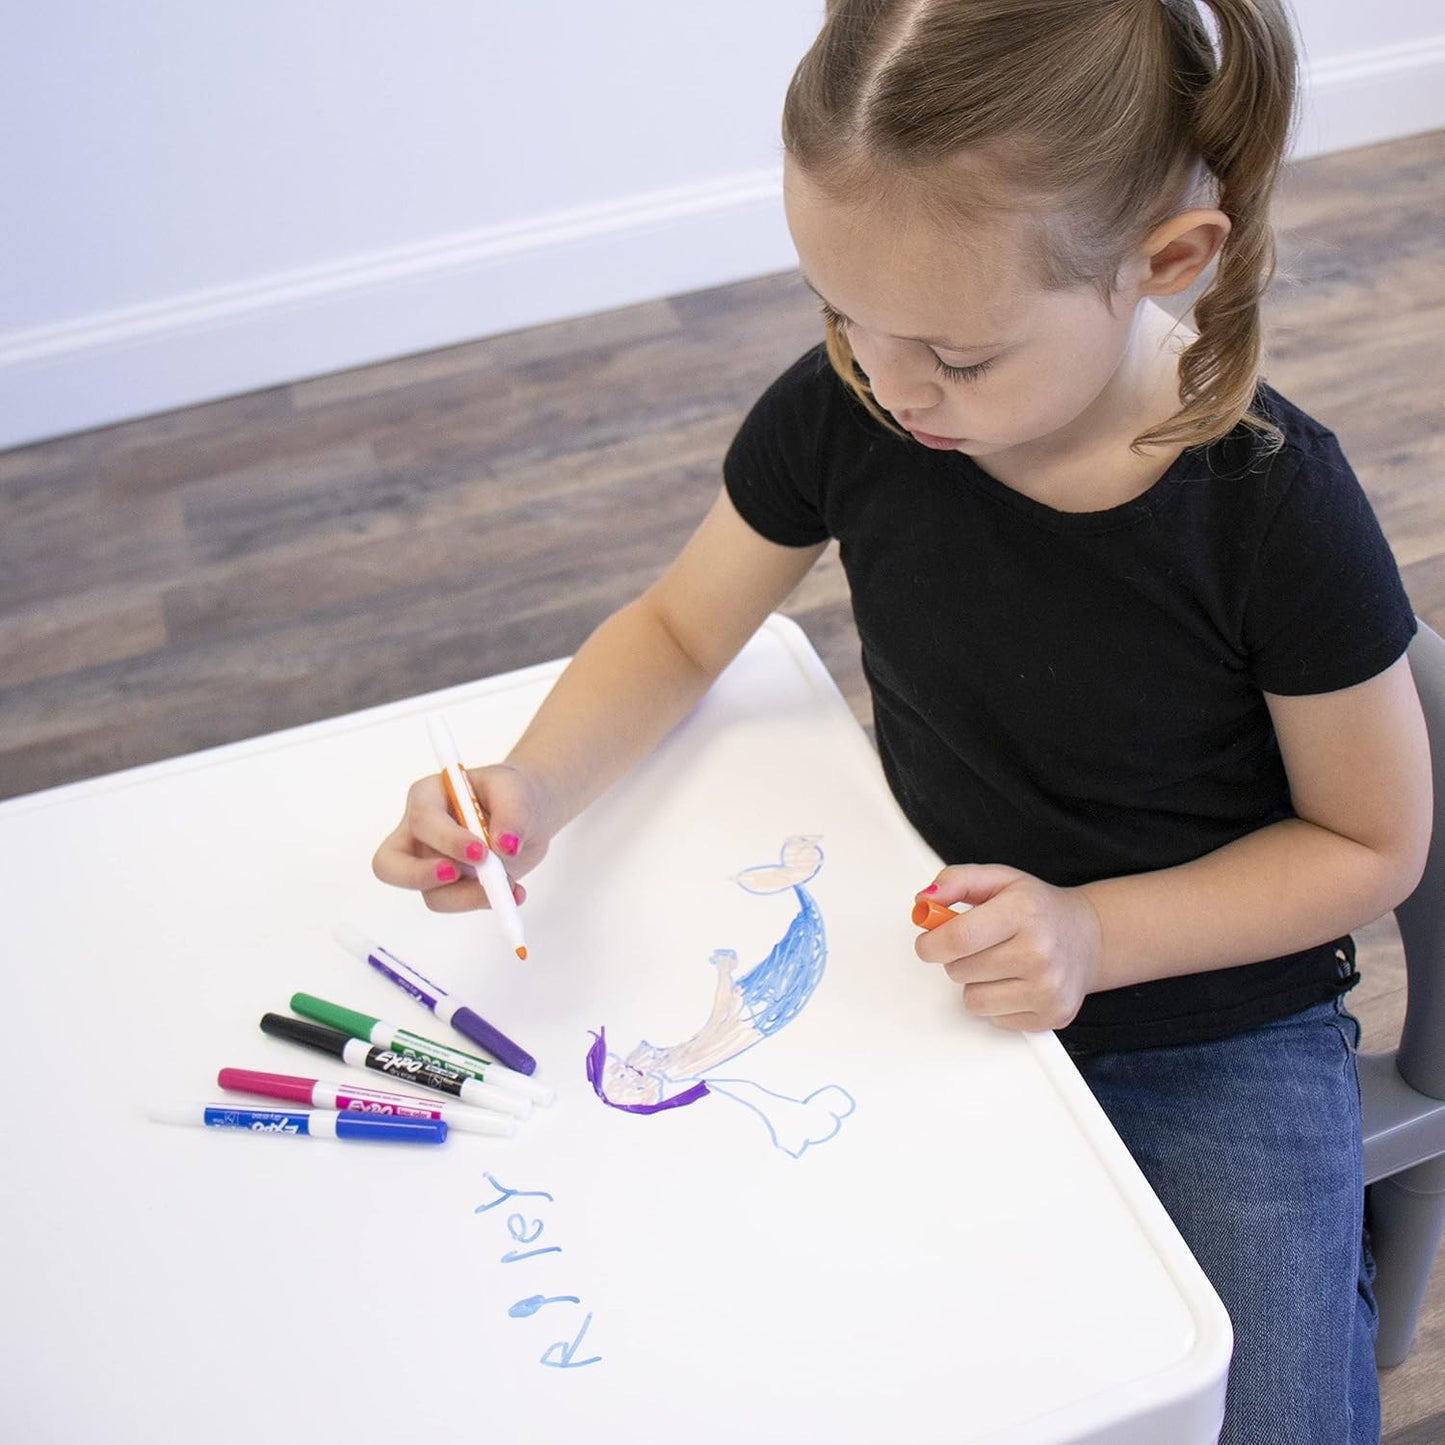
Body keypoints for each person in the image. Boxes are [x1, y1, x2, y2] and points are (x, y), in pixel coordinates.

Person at [372, 2, 1430, 1437]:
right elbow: (683, 626)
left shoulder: (1271, 505)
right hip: (916, 959)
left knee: (1260, 1411)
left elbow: (1367, 842)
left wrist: (1093, 934)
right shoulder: (856, 406)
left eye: (956, 353)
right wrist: (535, 784)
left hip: (1209, 1020)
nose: (888, 382)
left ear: (1159, 266)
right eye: (842, 316)